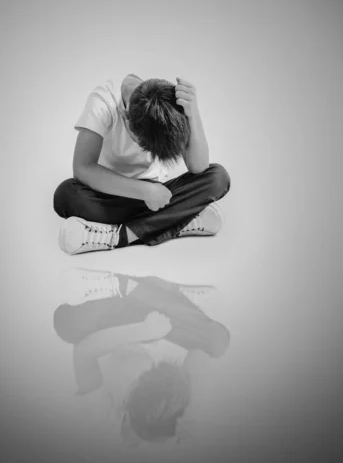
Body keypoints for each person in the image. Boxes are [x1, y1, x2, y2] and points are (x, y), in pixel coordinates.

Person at [53, 74, 231, 254]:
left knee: (218, 177)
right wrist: (145, 191)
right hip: (111, 193)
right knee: (66, 195)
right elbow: (83, 168)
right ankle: (177, 221)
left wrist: (193, 112)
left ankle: (118, 236)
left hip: (158, 199)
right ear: (125, 117)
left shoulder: (168, 105)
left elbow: (198, 168)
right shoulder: (103, 101)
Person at [53, 270, 230, 448]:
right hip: (161, 323)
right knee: (217, 343)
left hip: (118, 324)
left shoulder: (103, 424)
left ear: (126, 411)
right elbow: (199, 351)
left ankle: (140, 289)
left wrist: (143, 331)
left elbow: (83, 352)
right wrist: (191, 413)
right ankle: (164, 293)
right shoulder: (174, 421)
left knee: (67, 325)